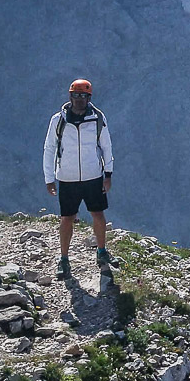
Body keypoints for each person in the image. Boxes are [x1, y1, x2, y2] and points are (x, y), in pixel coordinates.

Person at [42, 78, 116, 279]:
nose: (79, 99)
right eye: (76, 95)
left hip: (93, 176)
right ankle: (64, 259)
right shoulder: (58, 120)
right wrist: (49, 178)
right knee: (67, 218)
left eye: (83, 96)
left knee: (98, 214)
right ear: (70, 96)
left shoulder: (98, 119)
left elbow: (106, 146)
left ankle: (101, 252)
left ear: (89, 97)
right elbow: (49, 148)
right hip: (67, 177)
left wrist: (107, 174)